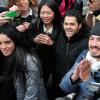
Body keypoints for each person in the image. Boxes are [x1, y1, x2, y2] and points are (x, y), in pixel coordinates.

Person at [0, 23, 48, 100]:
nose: (3, 47)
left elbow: (32, 95)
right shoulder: (6, 55)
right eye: (0, 43)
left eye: (7, 42)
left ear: (15, 41)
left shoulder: (29, 61)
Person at [53, 9, 89, 98]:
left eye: (72, 24)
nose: (68, 27)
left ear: (79, 25)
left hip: (75, 90)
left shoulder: (87, 43)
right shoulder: (61, 36)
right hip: (58, 86)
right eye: (66, 24)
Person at [60, 22, 100, 100]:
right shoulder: (84, 55)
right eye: (91, 39)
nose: (94, 44)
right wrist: (73, 78)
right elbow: (64, 87)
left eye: (99, 40)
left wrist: (87, 79)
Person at [33, 0, 62, 99]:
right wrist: (34, 41)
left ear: (55, 13)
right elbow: (26, 44)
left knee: (55, 87)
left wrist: (52, 43)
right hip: (39, 63)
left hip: (56, 63)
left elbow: (64, 48)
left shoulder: (61, 26)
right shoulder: (34, 24)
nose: (45, 16)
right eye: (42, 13)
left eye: (49, 13)